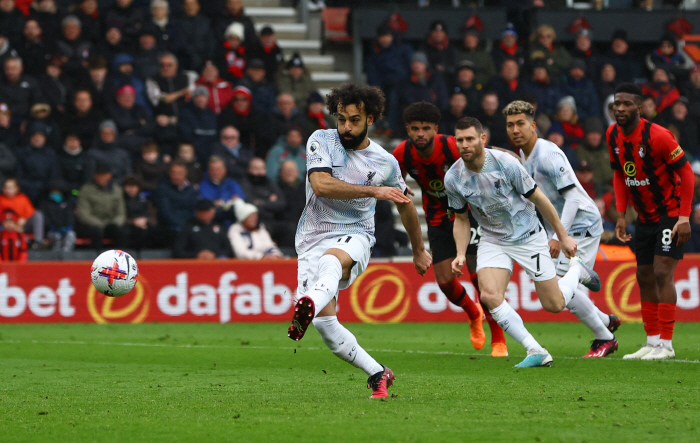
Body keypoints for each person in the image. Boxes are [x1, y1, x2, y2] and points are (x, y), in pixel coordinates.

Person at [286, 83, 432, 398]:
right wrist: (373, 191)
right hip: (311, 238)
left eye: (354, 120)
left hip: (356, 234)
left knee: (330, 262)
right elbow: (322, 185)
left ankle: (308, 302)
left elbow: (404, 204)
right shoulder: (321, 140)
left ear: (371, 119)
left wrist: (419, 250)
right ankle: (379, 373)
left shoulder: (384, 162)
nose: (346, 127)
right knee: (325, 326)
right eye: (341, 119)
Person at [446, 117, 602, 368]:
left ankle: (577, 270)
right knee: (489, 295)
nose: (464, 145)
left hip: (528, 236)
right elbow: (462, 220)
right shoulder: (454, 177)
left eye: (470, 139)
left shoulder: (506, 164)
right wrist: (461, 253)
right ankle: (535, 349)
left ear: (482, 139)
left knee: (554, 304)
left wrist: (562, 236)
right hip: (493, 239)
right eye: (460, 140)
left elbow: (540, 200)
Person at [504, 100, 620, 358]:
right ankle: (605, 320)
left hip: (582, 225)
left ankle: (605, 337)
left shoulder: (548, 155)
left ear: (533, 126)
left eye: (520, 124)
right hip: (562, 228)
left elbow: (574, 199)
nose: (515, 130)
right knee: (560, 287)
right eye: (510, 125)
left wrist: (558, 236)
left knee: (556, 289)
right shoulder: (526, 154)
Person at [393, 102, 506, 356]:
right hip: (437, 216)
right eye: (414, 129)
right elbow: (394, 176)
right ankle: (473, 312)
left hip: (470, 214)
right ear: (408, 130)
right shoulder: (402, 153)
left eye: (425, 128)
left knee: (481, 279)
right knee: (445, 282)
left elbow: (484, 155)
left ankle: (498, 339)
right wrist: (399, 184)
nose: (420, 133)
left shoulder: (452, 146)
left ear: (435, 129)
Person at [608, 83, 695, 360]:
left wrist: (684, 217)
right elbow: (620, 176)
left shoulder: (658, 136)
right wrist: (621, 216)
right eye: (616, 104)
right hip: (643, 217)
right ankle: (652, 341)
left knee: (660, 272)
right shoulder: (612, 136)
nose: (620, 109)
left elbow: (689, 174)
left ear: (640, 108)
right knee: (643, 276)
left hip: (670, 213)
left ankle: (666, 345)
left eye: (626, 104)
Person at [76, 164, 129, 251]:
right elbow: (83, 213)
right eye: (99, 175)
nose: (102, 177)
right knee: (96, 232)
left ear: (109, 175)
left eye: (104, 175)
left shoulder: (117, 190)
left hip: (111, 223)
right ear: (95, 176)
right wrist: (99, 224)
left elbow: (121, 212)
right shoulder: (86, 189)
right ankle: (96, 258)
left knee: (122, 232)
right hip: (92, 224)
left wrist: (114, 223)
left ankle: (120, 259)